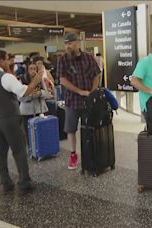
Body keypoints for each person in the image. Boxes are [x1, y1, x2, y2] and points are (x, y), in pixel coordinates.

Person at [0, 49, 45, 194]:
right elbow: (22, 91)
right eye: (7, 59)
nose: (10, 62)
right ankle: (24, 181)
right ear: (1, 60)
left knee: (0, 152)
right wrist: (36, 81)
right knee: (19, 149)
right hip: (9, 118)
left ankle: (5, 182)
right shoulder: (6, 77)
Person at [57, 32, 100, 170]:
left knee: (91, 128)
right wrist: (80, 91)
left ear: (77, 42)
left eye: (70, 43)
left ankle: (91, 154)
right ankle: (73, 154)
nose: (68, 46)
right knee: (71, 129)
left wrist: (92, 92)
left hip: (89, 101)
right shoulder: (63, 60)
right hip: (72, 101)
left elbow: (96, 75)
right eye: (66, 44)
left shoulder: (88, 57)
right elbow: (62, 80)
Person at [19, 62, 53, 146]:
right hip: (27, 111)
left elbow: (48, 93)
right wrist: (31, 95)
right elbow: (20, 97)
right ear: (27, 70)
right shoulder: (21, 80)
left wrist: (40, 93)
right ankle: (31, 148)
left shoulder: (41, 80)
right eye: (31, 69)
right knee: (28, 133)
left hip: (40, 109)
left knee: (42, 131)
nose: (33, 71)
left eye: (35, 69)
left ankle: (42, 148)